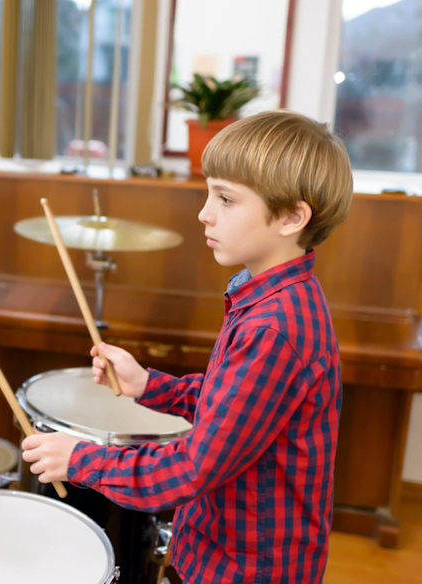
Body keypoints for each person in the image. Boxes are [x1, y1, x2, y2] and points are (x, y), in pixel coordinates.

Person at [22, 109, 353, 583]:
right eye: (208, 192)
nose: (205, 212)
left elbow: (193, 468)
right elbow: (233, 410)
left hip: (247, 568)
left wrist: (80, 459)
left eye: (225, 198)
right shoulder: (263, 295)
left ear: (291, 217)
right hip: (212, 544)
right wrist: (151, 385)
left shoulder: (275, 328)